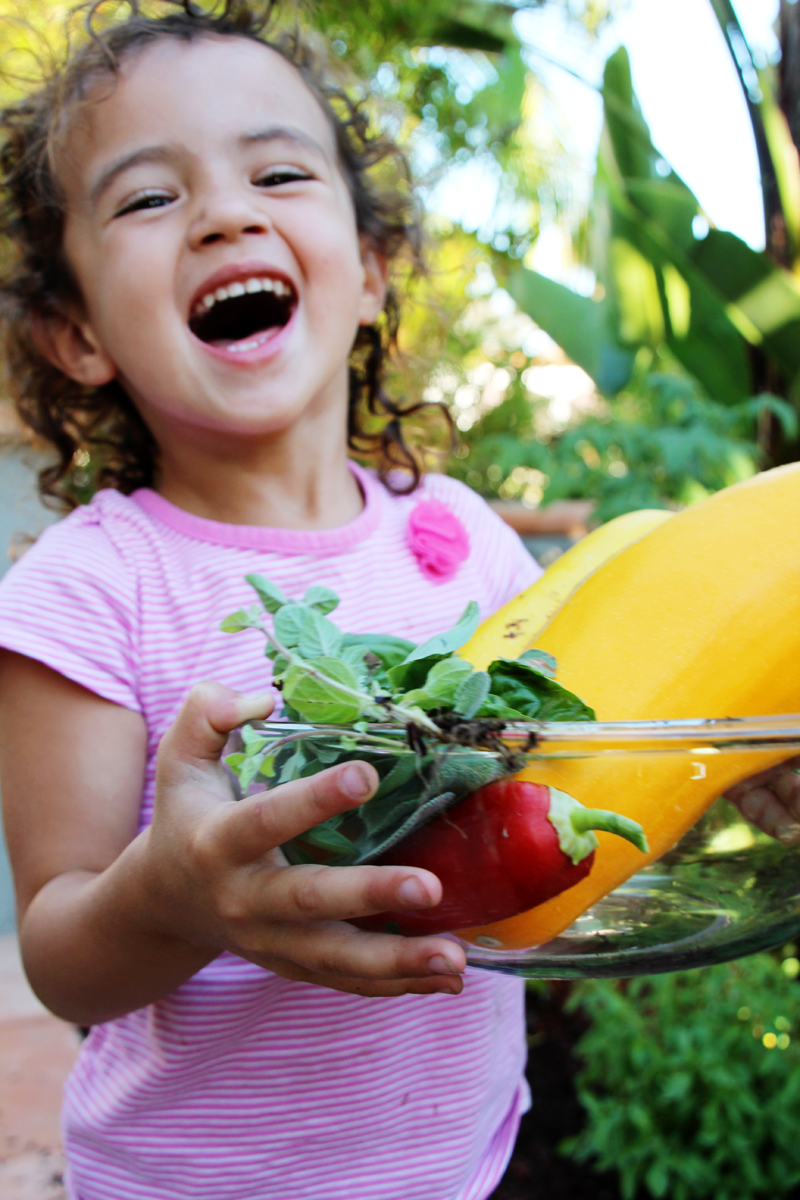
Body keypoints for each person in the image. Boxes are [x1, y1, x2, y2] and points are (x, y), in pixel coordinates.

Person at [0, 3, 545, 1198]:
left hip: (459, 1162)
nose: (227, 214)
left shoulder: (466, 541)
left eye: (280, 173)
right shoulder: (88, 592)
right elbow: (59, 954)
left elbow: (579, 759)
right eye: (148, 198)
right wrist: (172, 895)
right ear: (75, 331)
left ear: (372, 270)